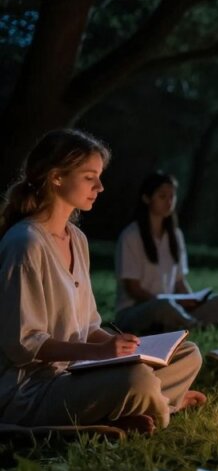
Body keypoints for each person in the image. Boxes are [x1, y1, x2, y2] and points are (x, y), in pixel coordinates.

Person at [0, 130, 204, 434]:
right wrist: (99, 353)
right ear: (56, 177)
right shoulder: (25, 244)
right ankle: (162, 406)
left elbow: (89, 326)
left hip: (77, 373)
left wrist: (124, 348)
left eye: (99, 177)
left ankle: (138, 405)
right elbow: (24, 343)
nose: (100, 186)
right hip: (33, 390)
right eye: (89, 177)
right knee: (137, 379)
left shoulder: (77, 239)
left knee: (188, 354)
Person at [114, 172, 218, 333]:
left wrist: (194, 301)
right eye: (162, 196)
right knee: (163, 306)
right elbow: (133, 288)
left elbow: (179, 282)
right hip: (138, 309)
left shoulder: (176, 235)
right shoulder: (131, 236)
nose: (169, 201)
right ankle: (195, 325)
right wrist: (170, 302)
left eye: (172, 196)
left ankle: (183, 322)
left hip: (172, 306)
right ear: (146, 198)